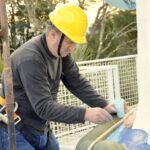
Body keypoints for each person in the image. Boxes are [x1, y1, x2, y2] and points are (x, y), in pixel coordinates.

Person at [0, 4, 117, 150]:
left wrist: (104, 104)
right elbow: (44, 107)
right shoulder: (30, 59)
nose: (73, 48)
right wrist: (85, 114)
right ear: (53, 34)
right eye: (70, 42)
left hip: (40, 126)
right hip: (15, 129)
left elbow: (76, 82)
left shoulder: (60, 53)